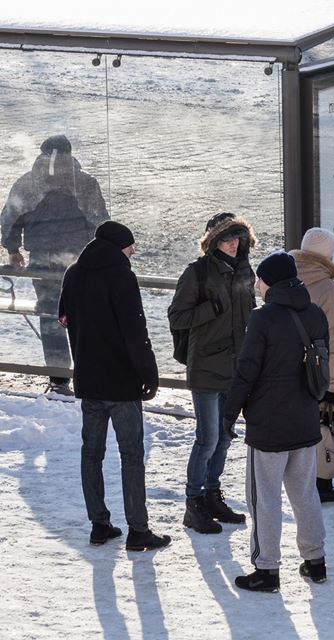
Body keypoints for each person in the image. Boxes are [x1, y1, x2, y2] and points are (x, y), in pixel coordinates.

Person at [58, 221, 170, 552]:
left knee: (91, 454)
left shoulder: (73, 273)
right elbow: (135, 332)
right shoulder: (122, 276)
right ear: (119, 246)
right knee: (132, 455)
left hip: (89, 381)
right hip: (121, 385)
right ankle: (139, 531)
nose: (133, 251)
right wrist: (150, 375)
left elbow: (64, 317)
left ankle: (99, 525)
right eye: (130, 246)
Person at [222, 251, 329, 592]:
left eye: (259, 278)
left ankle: (266, 569)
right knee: (305, 494)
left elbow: (246, 371)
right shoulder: (314, 313)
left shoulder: (263, 318)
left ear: (269, 282)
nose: (255, 283)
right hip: (305, 420)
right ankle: (315, 562)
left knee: (264, 498)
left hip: (269, 426)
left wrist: (229, 414)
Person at [168, 212, 256, 534]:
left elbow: (250, 316)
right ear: (213, 242)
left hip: (236, 368)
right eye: (226, 239)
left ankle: (212, 494)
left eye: (237, 238)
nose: (233, 245)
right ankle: (194, 503)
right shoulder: (197, 273)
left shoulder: (245, 270)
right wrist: (212, 309)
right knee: (208, 439)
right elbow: (177, 317)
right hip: (206, 367)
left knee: (225, 437)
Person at [2, 135, 109, 394]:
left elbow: (9, 219)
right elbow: (101, 222)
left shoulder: (28, 183)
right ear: (71, 154)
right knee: (85, 315)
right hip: (80, 261)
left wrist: (13, 249)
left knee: (51, 315)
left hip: (42, 263)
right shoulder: (84, 183)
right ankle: (89, 373)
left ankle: (58, 379)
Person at [291, 227, 334, 502]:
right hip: (320, 372)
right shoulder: (330, 290)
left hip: (290, 370)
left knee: (301, 427)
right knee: (325, 427)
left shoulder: (287, 282)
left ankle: (301, 482)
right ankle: (322, 485)